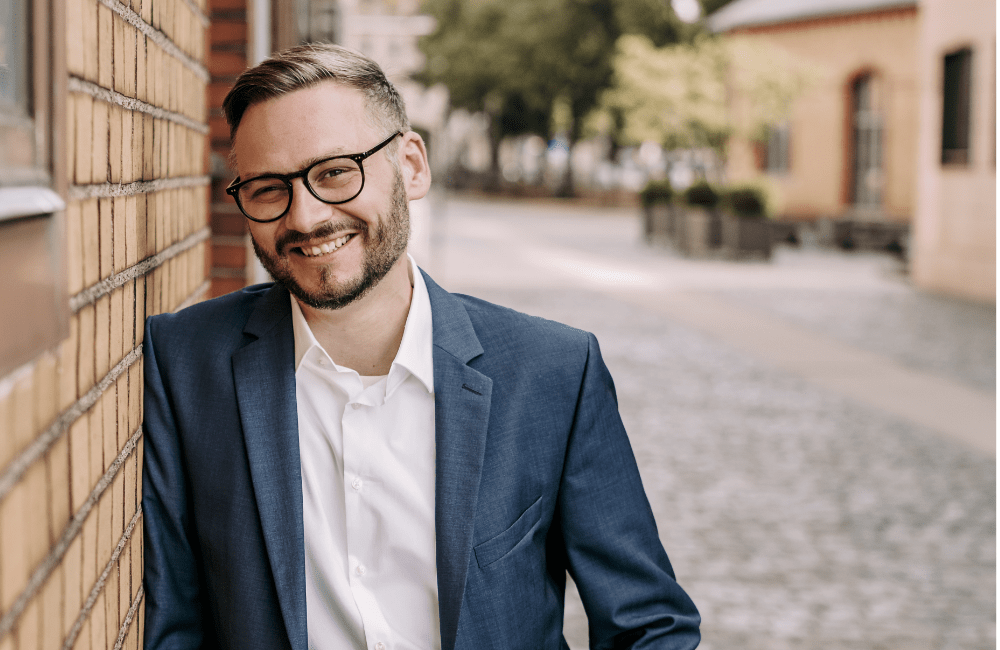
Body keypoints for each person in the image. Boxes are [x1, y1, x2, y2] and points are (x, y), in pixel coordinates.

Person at [141, 43, 700, 650]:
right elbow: (175, 623)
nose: (304, 216)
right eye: (270, 188)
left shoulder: (552, 373)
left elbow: (650, 626)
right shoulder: (186, 361)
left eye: (334, 172)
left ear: (411, 165)